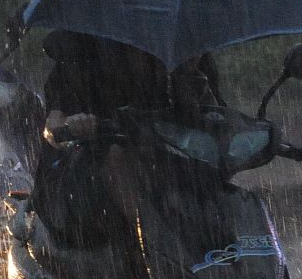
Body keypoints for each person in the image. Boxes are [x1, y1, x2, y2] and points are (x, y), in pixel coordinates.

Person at [33, 30, 221, 247]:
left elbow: (216, 120)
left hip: (169, 164)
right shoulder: (81, 50)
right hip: (85, 177)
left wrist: (192, 76)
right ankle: (160, 245)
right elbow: (52, 125)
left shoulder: (188, 52)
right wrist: (72, 124)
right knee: (117, 156)